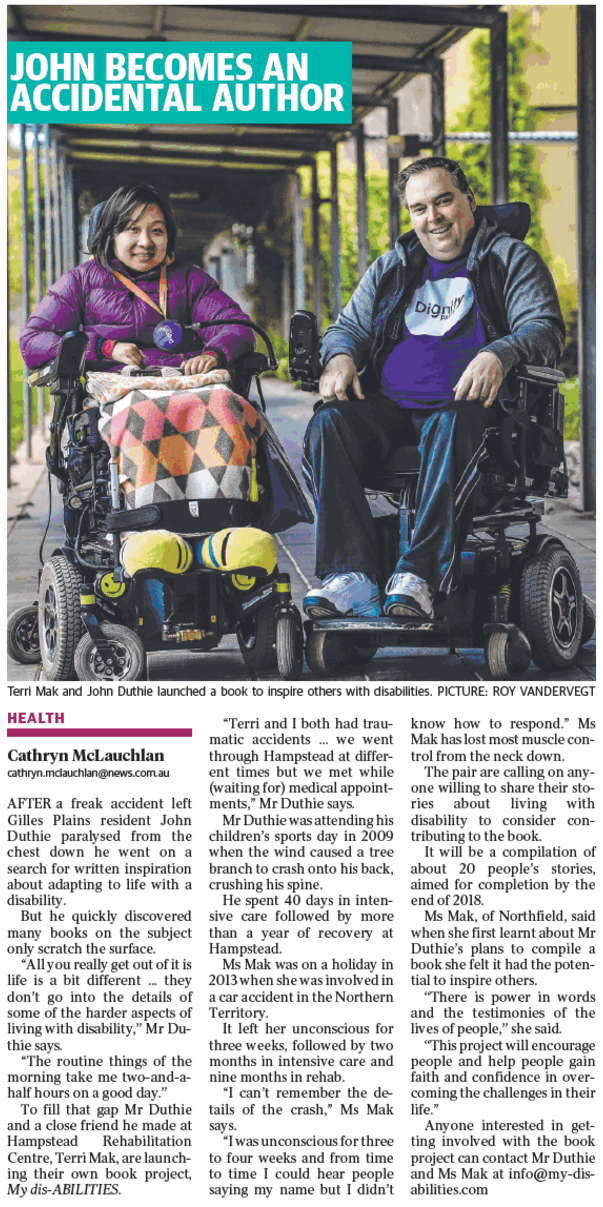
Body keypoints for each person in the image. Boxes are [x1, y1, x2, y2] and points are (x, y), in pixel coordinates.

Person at [302, 157, 565, 621]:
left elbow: (545, 330)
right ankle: (351, 577)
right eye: (419, 208)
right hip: (392, 412)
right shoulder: (393, 267)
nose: (434, 217)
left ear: (469, 200)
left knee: (452, 420)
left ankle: (420, 575)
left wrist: (498, 353)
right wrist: (340, 356)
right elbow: (347, 329)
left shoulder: (510, 259)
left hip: (477, 413)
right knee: (329, 422)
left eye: (443, 201)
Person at [20, 183, 254, 375]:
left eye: (156, 231)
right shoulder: (80, 281)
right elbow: (32, 341)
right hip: (113, 396)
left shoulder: (190, 280)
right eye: (133, 229)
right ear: (112, 235)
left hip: (183, 388)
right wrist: (104, 348)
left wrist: (213, 354)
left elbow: (238, 327)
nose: (145, 242)